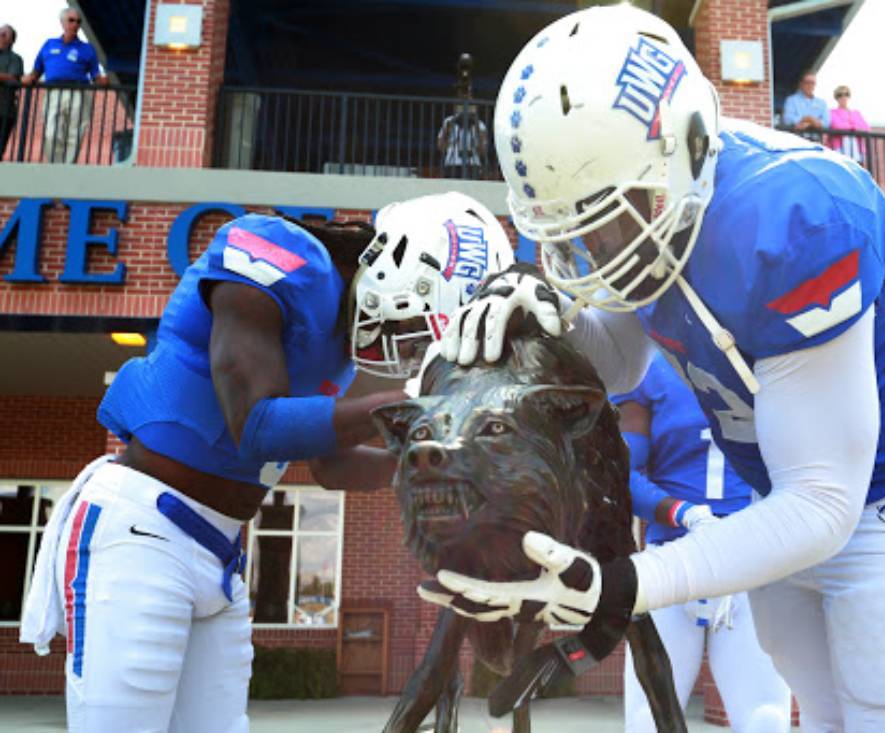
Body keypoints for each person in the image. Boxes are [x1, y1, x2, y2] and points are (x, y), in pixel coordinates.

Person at [421, 5, 885, 732]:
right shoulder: (655, 204)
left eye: (614, 210)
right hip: (777, 505)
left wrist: (632, 582)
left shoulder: (794, 215)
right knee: (823, 719)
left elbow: (822, 498)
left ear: (688, 145)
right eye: (576, 222)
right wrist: (551, 326)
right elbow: (624, 358)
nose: (599, 243)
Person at [18, 191, 512, 732]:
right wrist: (410, 411)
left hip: (219, 552)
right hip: (142, 533)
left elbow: (331, 466)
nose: (403, 342)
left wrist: (439, 463)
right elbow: (256, 426)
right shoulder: (277, 250)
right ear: (401, 261)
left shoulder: (338, 341)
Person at [613, 354, 790, 733]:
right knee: (647, 721)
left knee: (765, 719)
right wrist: (684, 513)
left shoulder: (769, 351)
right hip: (674, 558)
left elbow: (804, 466)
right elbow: (621, 474)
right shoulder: (647, 365)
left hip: (753, 557)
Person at [21, 8, 107, 164]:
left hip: (79, 93)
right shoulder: (49, 44)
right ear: (62, 22)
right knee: (51, 132)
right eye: (71, 20)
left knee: (75, 132)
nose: (76, 24)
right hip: (54, 92)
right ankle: (56, 165)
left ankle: (67, 167)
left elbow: (96, 75)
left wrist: (104, 80)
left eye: (78, 21)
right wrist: (28, 78)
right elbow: (36, 71)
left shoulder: (87, 48)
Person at [437, 99, 489, 180]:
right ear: (456, 108)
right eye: (461, 106)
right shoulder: (448, 121)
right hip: (452, 162)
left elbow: (483, 150)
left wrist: (477, 129)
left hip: (473, 163)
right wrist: (448, 132)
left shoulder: (479, 124)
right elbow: (440, 146)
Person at [825, 85, 870, 165]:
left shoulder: (856, 113)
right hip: (839, 149)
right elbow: (837, 126)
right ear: (836, 98)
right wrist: (854, 127)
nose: (843, 97)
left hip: (856, 150)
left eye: (846, 94)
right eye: (840, 95)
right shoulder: (832, 112)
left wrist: (851, 128)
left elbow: (866, 128)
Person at [0, 24, 23, 159]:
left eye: (4, 35)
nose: (0, 37)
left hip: (3, 111)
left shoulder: (15, 58)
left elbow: (13, 78)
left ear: (12, 40)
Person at [781, 70, 829, 134]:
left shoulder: (822, 103)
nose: (810, 85)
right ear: (801, 84)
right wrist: (806, 119)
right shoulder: (791, 100)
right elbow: (787, 119)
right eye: (807, 82)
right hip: (796, 138)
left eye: (813, 83)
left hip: (816, 140)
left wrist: (810, 123)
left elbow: (826, 123)